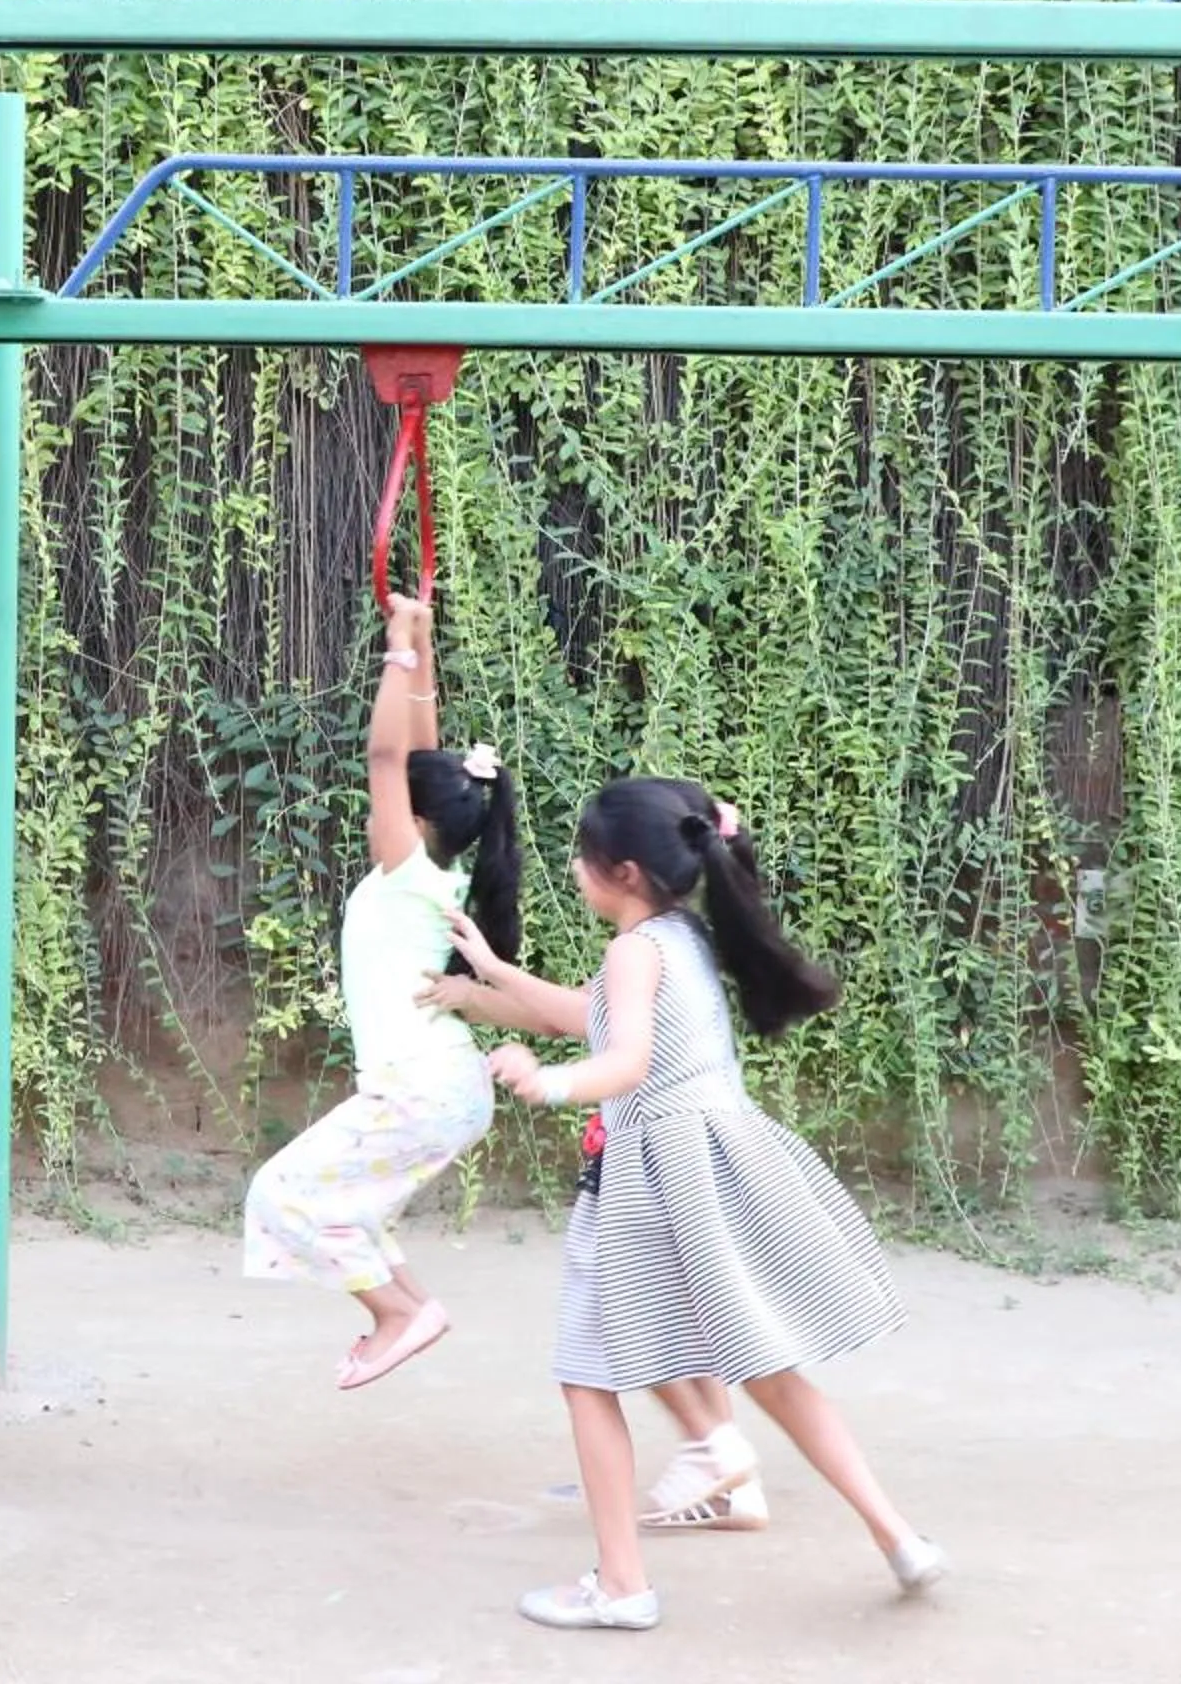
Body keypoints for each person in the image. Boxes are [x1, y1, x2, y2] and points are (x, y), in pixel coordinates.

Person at [430, 776, 943, 1630]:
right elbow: (592, 1018)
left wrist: (542, 1081)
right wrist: (490, 975)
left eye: (581, 855)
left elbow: (621, 1058)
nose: (570, 866)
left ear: (622, 870)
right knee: (769, 1370)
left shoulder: (636, 952)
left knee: (587, 1377)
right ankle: (900, 1537)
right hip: (708, 1173)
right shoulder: (681, 935)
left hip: (650, 1183)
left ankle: (622, 1588)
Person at [240, 592, 521, 1389]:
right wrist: (423, 648)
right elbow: (418, 752)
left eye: (398, 803)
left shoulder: (407, 872)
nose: (379, 810)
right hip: (443, 1088)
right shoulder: (436, 870)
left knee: (282, 1195)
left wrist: (397, 644)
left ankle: (399, 1313)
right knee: (334, 1204)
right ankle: (409, 1310)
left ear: (416, 818)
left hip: (422, 1092)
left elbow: (387, 760)